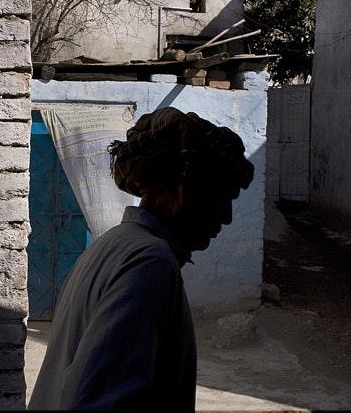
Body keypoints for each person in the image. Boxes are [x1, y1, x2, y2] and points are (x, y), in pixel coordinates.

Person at [27, 107, 254, 411]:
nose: (225, 217)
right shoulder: (150, 262)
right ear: (183, 188)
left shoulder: (113, 243)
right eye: (220, 197)